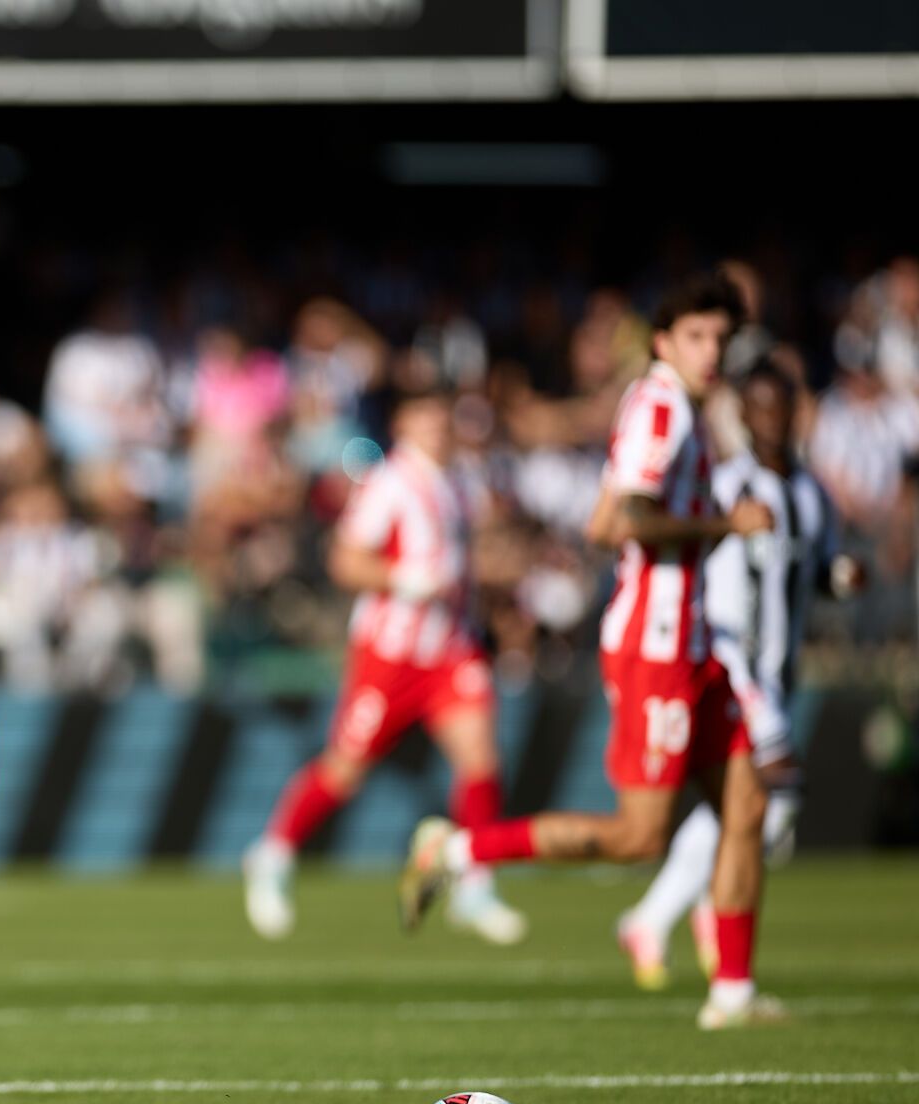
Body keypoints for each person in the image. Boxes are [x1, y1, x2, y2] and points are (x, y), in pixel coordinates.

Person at [399, 272, 783, 1030]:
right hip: (656, 643)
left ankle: (733, 992)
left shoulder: (686, 407)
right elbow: (614, 521)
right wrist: (722, 526)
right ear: (666, 342)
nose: (712, 351)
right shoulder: (662, 407)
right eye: (698, 336)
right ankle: (460, 848)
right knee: (639, 835)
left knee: (747, 802)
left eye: (721, 338)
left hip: (694, 640)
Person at [244, 391, 525, 945]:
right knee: (345, 768)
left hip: (450, 647)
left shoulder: (462, 483)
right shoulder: (389, 483)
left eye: (445, 420)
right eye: (427, 420)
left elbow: (464, 564)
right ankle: (274, 854)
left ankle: (474, 884)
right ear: (403, 425)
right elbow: (346, 560)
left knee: (481, 761)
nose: (439, 431)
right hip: (391, 655)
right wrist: (403, 580)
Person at [617, 360, 861, 987]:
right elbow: (709, 583)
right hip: (734, 665)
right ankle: (686, 912)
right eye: (760, 406)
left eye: (782, 406)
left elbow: (815, 569)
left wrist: (843, 577)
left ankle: (661, 916)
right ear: (745, 415)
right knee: (771, 798)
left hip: (781, 671)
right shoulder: (728, 488)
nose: (773, 418)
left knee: (746, 806)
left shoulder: (813, 493)